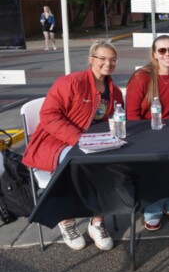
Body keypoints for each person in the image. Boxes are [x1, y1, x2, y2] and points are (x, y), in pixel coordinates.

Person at [22, 40, 123, 251]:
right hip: (56, 141)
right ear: (91, 59)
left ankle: (97, 222)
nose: (108, 63)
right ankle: (66, 221)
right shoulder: (71, 82)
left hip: (93, 142)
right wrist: (78, 139)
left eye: (112, 59)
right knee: (78, 164)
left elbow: (115, 120)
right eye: (103, 58)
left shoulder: (114, 91)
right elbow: (48, 116)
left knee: (113, 164)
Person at [126, 35, 169, 231]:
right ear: (154, 54)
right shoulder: (141, 77)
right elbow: (132, 114)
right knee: (151, 163)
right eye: (162, 50)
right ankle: (152, 206)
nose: (167, 54)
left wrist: (168, 135)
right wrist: (151, 136)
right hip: (143, 132)